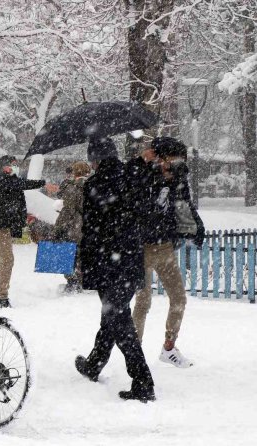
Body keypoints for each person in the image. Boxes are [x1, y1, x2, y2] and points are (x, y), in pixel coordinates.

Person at [74, 137, 155, 403]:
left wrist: (85, 262)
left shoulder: (94, 185)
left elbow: (91, 229)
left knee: (119, 321)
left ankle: (142, 380)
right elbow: (144, 214)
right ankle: (95, 362)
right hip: (130, 261)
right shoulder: (133, 177)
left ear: (95, 160)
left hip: (106, 263)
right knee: (113, 315)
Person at [130, 137, 205, 368]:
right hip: (141, 249)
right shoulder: (142, 176)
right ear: (161, 157)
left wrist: (196, 228)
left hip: (164, 248)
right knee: (143, 302)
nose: (176, 163)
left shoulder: (178, 179)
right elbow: (132, 197)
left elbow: (186, 206)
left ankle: (169, 348)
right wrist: (144, 163)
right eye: (174, 158)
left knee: (179, 298)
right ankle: (135, 353)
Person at [0, 155, 52, 307]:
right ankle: (2, 296)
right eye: (13, 165)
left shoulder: (8, 179)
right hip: (1, 226)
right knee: (7, 260)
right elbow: (19, 184)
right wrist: (43, 183)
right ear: (4, 166)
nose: (15, 168)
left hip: (3, 226)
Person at [53, 161, 91, 293]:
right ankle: (81, 280)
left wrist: (58, 227)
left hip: (74, 226)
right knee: (83, 255)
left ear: (75, 172)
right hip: (89, 227)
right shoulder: (94, 185)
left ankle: (73, 282)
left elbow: (68, 210)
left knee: (70, 254)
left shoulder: (71, 187)